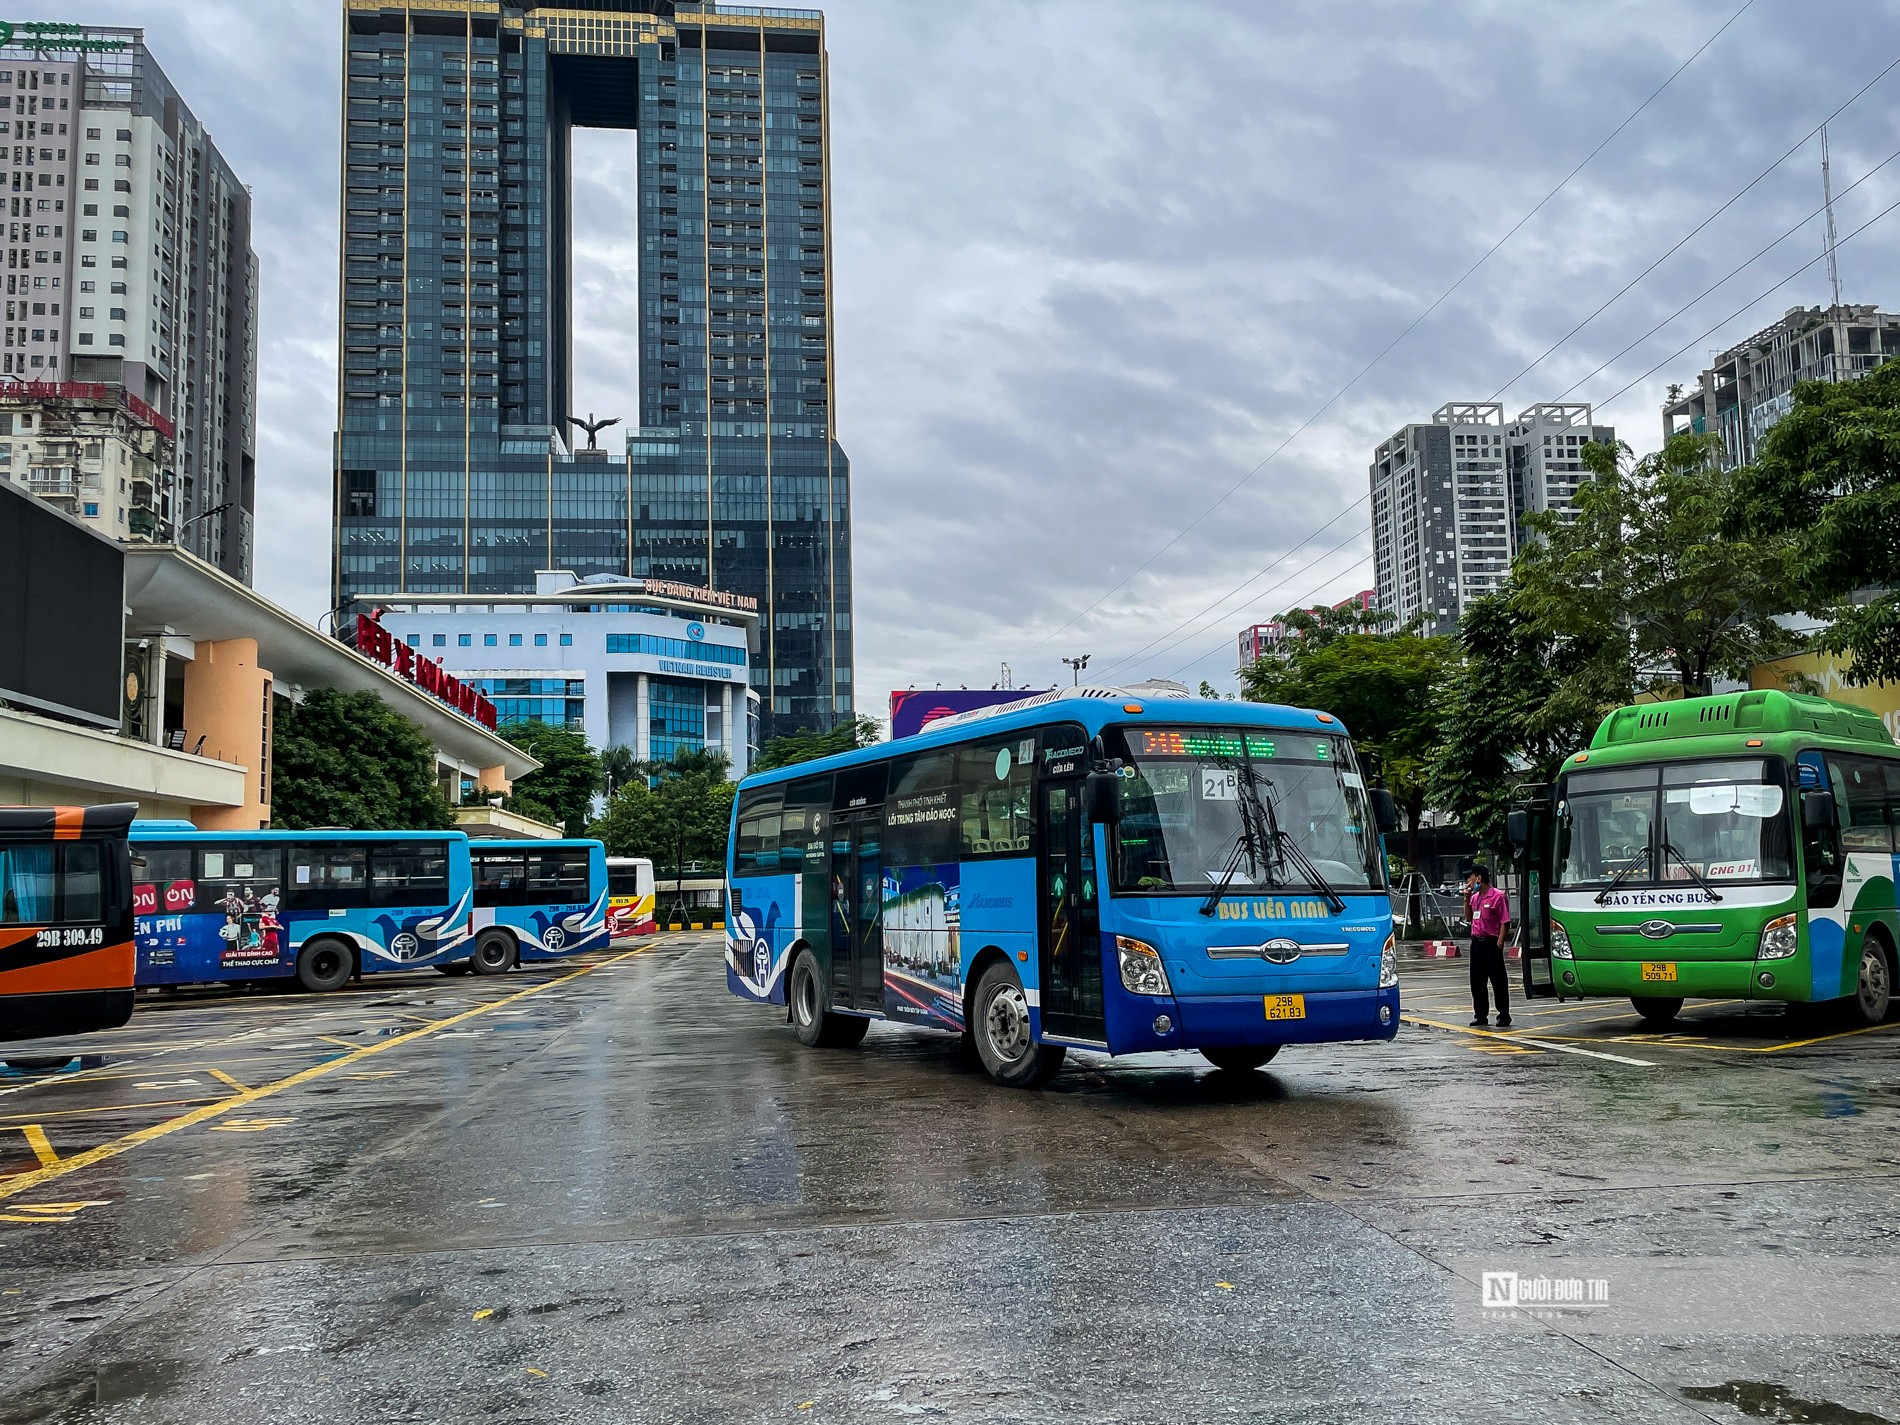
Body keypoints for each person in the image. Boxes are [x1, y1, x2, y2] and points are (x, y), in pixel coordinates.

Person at [1464, 864, 1512, 1028]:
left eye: (1470, 877)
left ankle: (1504, 1015)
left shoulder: (1498, 896)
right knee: (1477, 981)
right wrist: (1466, 898)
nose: (1468, 881)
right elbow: (1469, 918)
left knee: (1498, 980)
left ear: (1479, 878)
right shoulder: (1474, 897)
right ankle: (1480, 1015)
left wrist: (1500, 943)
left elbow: (1505, 922)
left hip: (1491, 942)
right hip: (1477, 942)